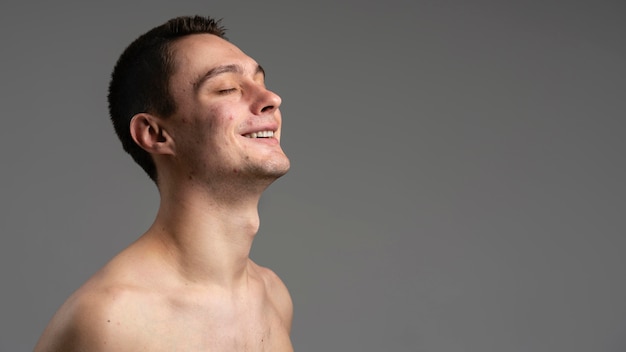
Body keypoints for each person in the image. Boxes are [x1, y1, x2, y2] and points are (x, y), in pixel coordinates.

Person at [35, 15, 293, 351]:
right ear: (155, 134)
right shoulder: (110, 321)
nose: (271, 98)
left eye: (260, 81)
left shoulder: (273, 296)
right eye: (227, 88)